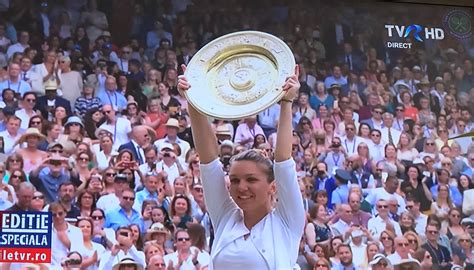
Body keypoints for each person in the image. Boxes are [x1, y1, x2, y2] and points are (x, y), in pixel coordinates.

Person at [178, 64, 305, 269]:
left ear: (273, 186)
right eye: (235, 180)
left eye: (251, 179)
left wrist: (287, 102)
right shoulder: (225, 217)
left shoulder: (286, 222)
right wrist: (193, 99)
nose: (241, 187)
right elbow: (208, 159)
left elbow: (283, 161)